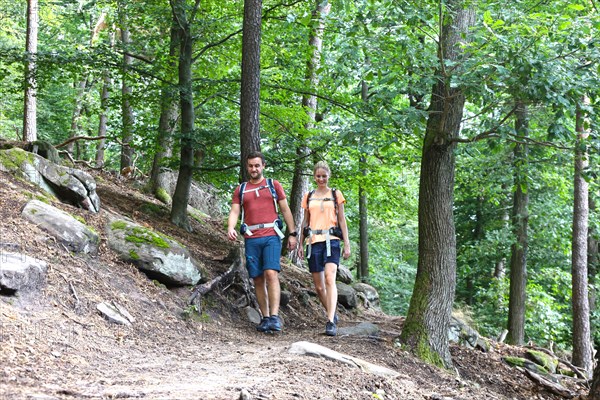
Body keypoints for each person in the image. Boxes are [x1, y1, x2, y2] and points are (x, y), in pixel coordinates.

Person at [227, 151, 298, 333]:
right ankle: (265, 317)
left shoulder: (273, 185)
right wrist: (231, 227)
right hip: (251, 237)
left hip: (271, 236)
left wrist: (293, 233)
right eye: (251, 166)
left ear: (263, 166)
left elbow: (285, 209)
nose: (254, 169)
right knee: (257, 278)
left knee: (271, 273)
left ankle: (274, 317)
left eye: (257, 165)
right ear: (247, 167)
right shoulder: (241, 189)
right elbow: (235, 211)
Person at [297, 161, 350, 336]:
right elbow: (305, 221)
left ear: (329, 176)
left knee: (329, 278)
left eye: (324, 176)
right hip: (313, 242)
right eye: (318, 176)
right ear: (314, 177)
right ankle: (332, 313)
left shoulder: (336, 194)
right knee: (319, 287)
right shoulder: (309, 195)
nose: (321, 179)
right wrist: (299, 243)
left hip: (332, 240)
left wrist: (347, 244)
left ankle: (329, 322)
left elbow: (342, 221)